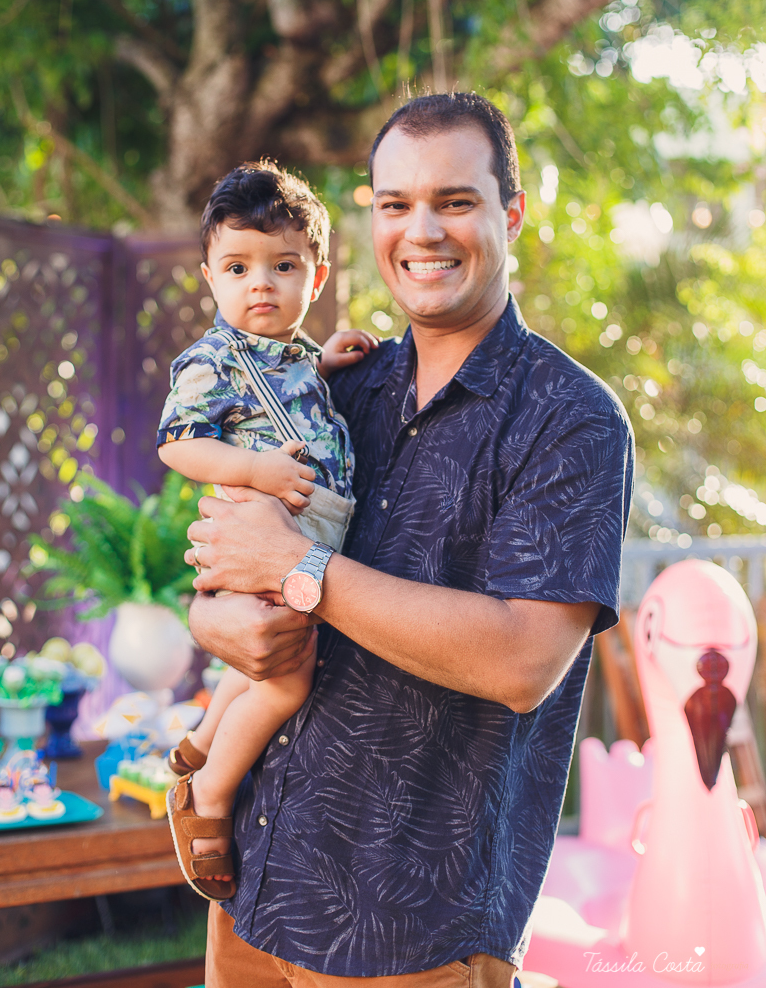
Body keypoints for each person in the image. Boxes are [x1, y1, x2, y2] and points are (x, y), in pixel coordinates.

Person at [187, 93, 634, 988]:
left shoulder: (572, 420)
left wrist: (301, 568)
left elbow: (522, 663)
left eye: (454, 201)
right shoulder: (341, 387)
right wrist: (215, 622)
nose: (421, 231)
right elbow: (227, 558)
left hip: (407, 931)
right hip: (258, 883)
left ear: (511, 214)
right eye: (396, 205)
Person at [156, 160, 376, 901]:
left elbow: (305, 390)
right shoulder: (212, 359)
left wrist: (333, 360)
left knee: (261, 660)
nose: (261, 284)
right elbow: (178, 443)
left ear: (313, 282)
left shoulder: (297, 358)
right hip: (266, 527)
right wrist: (254, 474)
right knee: (288, 679)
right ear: (211, 278)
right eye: (239, 267)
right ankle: (209, 794)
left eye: (283, 266)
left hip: (313, 527)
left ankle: (195, 745)